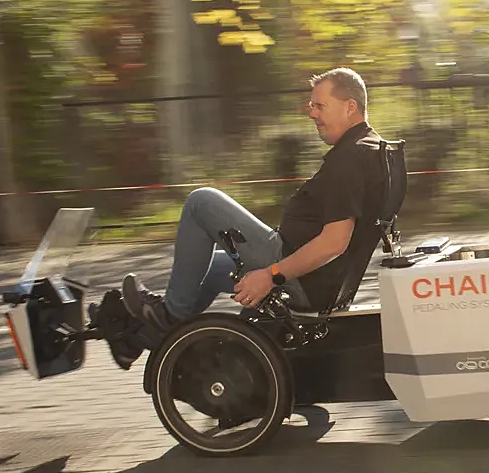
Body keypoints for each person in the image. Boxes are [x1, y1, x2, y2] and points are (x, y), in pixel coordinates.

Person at [121, 67, 387, 332]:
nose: (312, 113)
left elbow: (334, 242)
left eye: (320, 106)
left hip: (302, 279)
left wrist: (271, 276)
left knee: (200, 202)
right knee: (209, 266)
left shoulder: (350, 159)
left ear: (350, 106)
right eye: (311, 106)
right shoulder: (372, 148)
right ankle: (144, 338)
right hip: (315, 276)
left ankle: (168, 316)